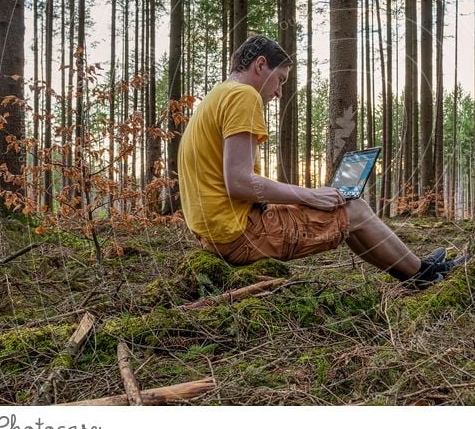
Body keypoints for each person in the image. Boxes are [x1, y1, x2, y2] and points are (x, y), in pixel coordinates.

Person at [178, 34, 458, 289]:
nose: (279, 92)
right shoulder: (244, 95)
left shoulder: (215, 97)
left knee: (341, 205)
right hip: (238, 234)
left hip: (217, 231)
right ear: (260, 65)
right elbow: (238, 182)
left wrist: (304, 198)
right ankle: (425, 275)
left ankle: (413, 273)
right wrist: (309, 195)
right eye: (281, 80)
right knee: (356, 208)